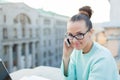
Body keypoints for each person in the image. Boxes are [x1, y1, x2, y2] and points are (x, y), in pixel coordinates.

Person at [61, 6, 119, 80]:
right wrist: (66, 56)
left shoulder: (102, 58)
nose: (74, 41)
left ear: (90, 32)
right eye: (70, 35)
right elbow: (68, 78)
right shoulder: (76, 52)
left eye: (79, 34)